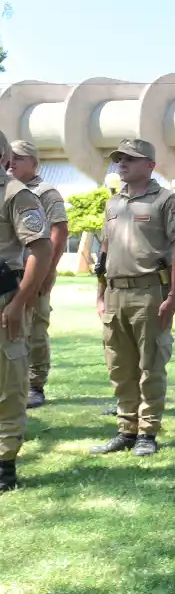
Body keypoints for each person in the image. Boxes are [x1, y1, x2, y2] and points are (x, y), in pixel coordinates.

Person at [91, 139, 175, 457]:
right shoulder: (113, 203)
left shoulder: (166, 200)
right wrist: (100, 293)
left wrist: (172, 296)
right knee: (119, 366)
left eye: (130, 159)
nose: (122, 163)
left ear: (150, 165)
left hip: (150, 293)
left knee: (151, 365)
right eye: (119, 159)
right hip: (115, 293)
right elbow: (104, 252)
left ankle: (147, 432)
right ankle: (126, 430)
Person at [0, 131, 51, 491]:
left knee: (8, 384)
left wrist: (20, 301)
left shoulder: (15, 194)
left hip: (4, 297)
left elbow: (42, 250)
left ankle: (5, 465)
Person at [8, 141, 69, 409]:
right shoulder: (8, 190)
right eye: (9, 157)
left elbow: (59, 231)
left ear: (34, 163)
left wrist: (48, 270)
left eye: (18, 158)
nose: (12, 162)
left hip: (34, 271)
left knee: (35, 327)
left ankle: (35, 384)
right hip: (10, 273)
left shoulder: (45, 192)